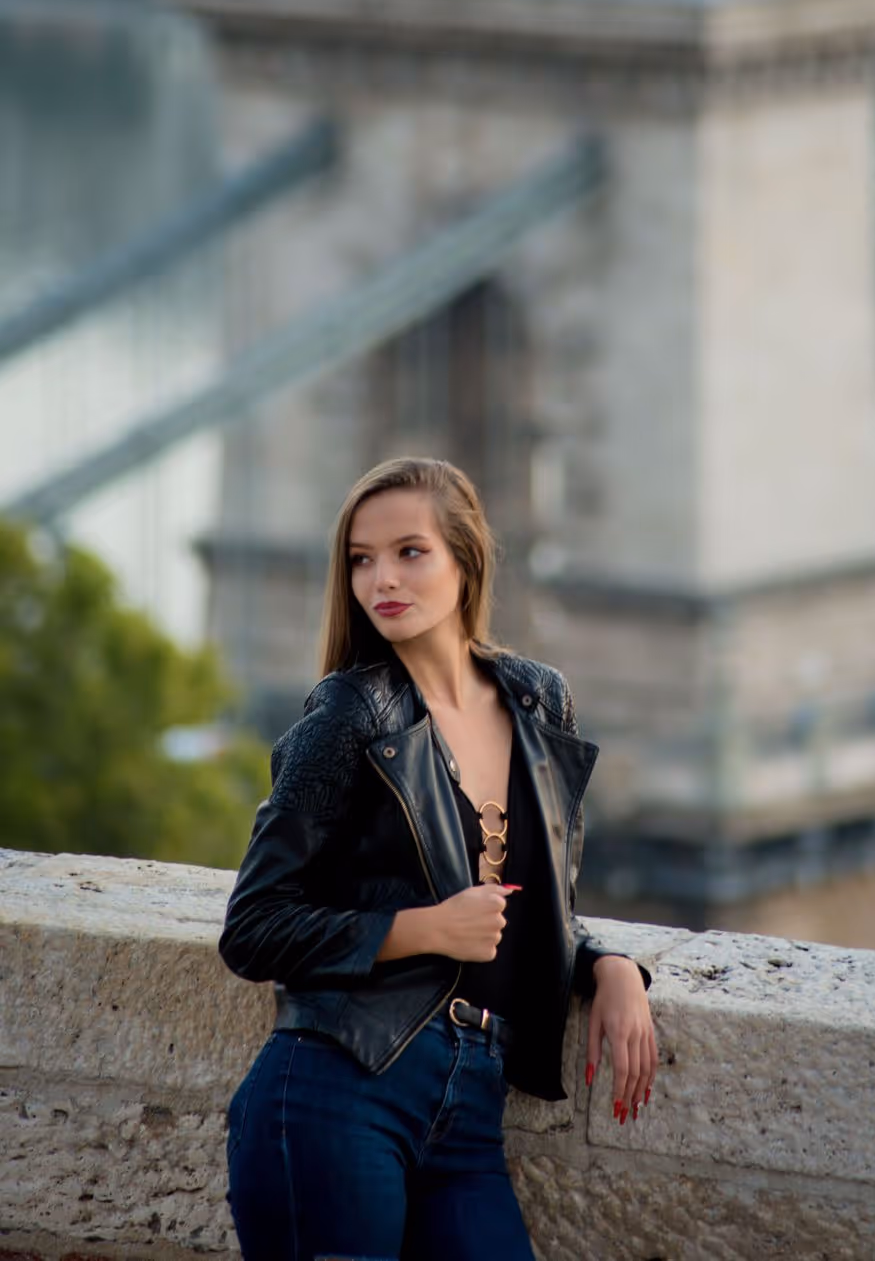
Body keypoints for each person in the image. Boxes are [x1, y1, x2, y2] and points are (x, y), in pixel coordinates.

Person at [219, 456, 656, 1261]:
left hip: (470, 1109)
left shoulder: (538, 700)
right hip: (336, 1091)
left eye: (410, 552)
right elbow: (253, 926)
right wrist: (420, 929)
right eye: (361, 559)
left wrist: (609, 967)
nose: (381, 578)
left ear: (466, 559)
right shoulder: (348, 715)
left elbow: (525, 907)